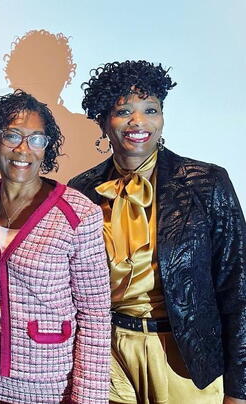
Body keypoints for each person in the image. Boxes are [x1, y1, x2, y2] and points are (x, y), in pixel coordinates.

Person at [68, 60, 246, 404]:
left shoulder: (207, 183)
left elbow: (237, 287)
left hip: (186, 357)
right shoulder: (82, 190)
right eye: (124, 111)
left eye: (151, 109)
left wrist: (240, 388)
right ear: (104, 121)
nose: (139, 122)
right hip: (107, 356)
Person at [0, 90, 111, 403]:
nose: (24, 149)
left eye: (36, 138)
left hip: (46, 386)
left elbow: (95, 316)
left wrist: (87, 398)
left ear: (47, 147)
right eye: (12, 136)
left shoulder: (78, 213)